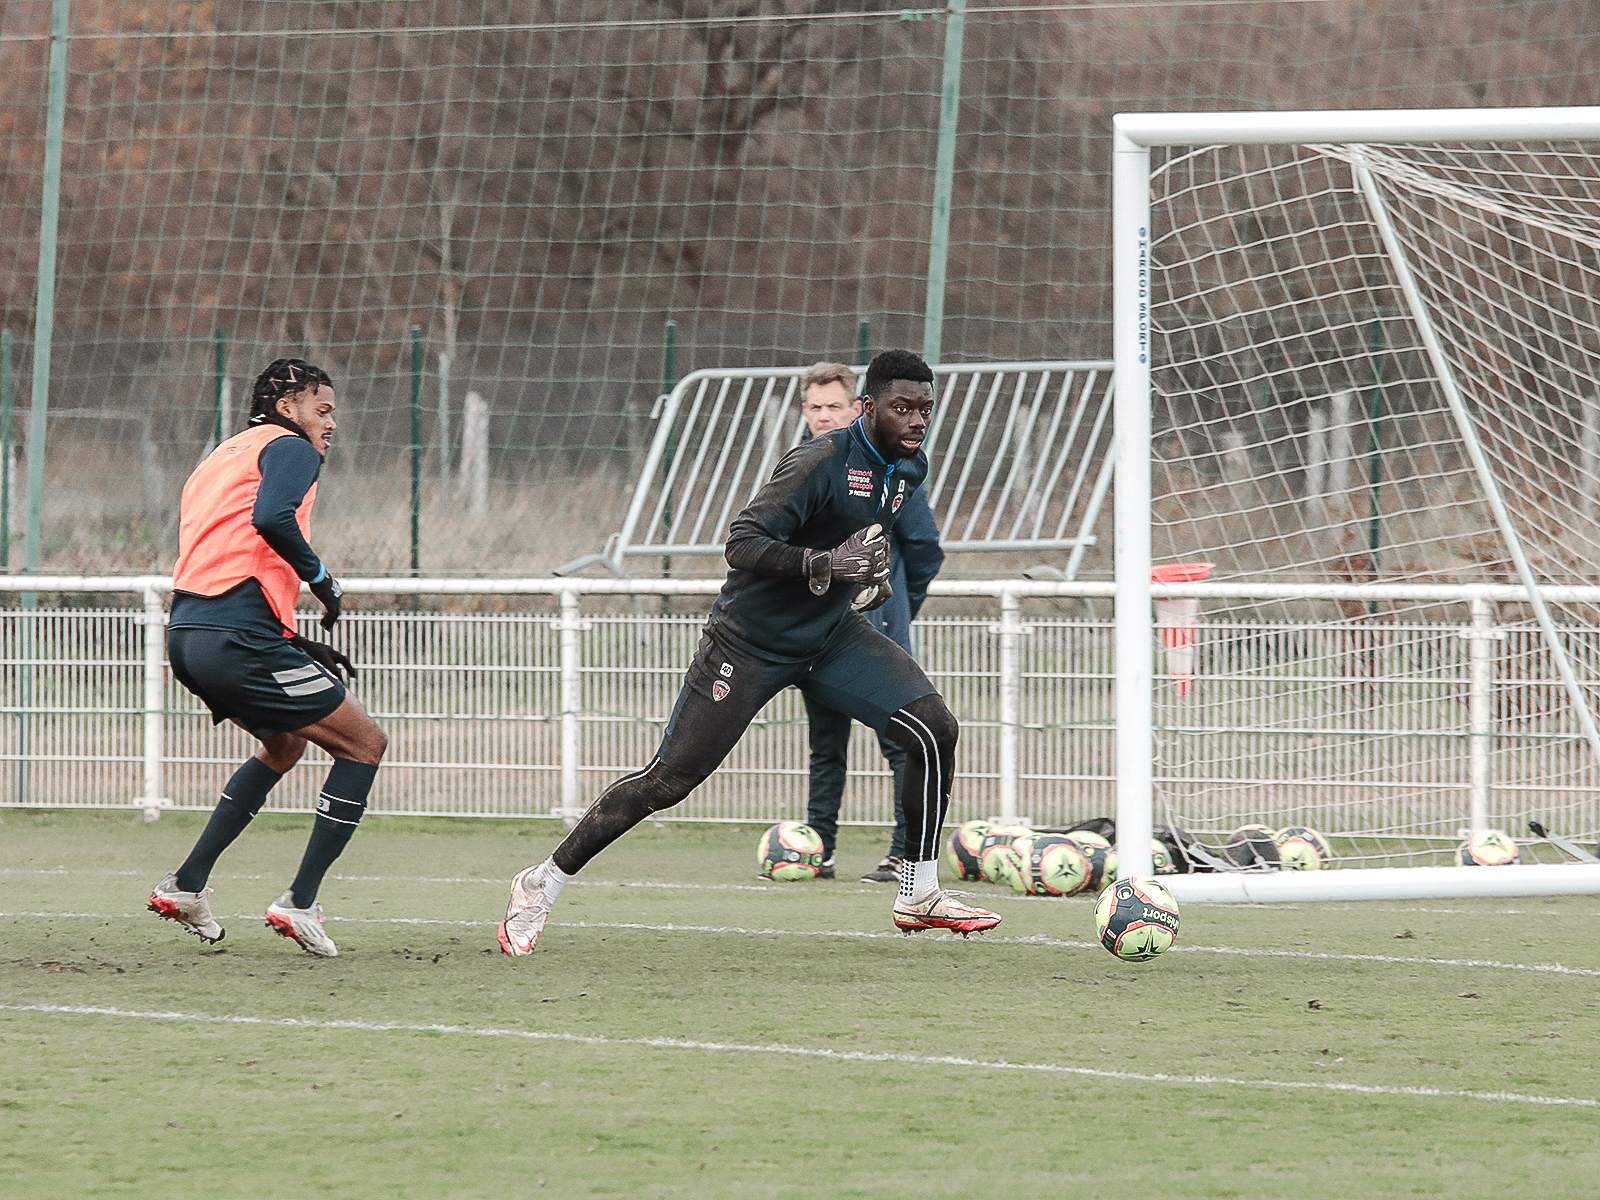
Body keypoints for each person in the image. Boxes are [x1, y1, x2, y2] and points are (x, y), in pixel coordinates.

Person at [498, 349, 1000, 955]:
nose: (917, 421)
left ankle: (917, 892)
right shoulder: (820, 460)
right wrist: (823, 563)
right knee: (668, 781)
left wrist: (869, 579)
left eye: (925, 409)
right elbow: (741, 543)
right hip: (750, 643)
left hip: (831, 638)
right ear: (868, 408)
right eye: (902, 408)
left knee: (933, 726)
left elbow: (865, 541)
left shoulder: (908, 469)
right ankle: (541, 882)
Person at [145, 358, 387, 958]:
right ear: (287, 406)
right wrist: (324, 582)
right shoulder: (291, 449)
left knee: (285, 745)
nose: (331, 424)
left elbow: (230, 559)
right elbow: (271, 519)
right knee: (365, 744)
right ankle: (300, 903)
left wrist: (295, 641)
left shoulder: (221, 457)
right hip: (236, 636)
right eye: (322, 410)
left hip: (189, 633)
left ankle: (187, 884)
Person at [793, 362, 945, 883]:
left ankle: (905, 854)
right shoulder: (807, 467)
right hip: (817, 632)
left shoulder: (892, 464)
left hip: (875, 629)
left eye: (833, 405)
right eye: (814, 407)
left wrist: (898, 609)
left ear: (859, 407)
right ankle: (817, 851)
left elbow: (924, 549)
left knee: (902, 740)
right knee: (825, 745)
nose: (823, 417)